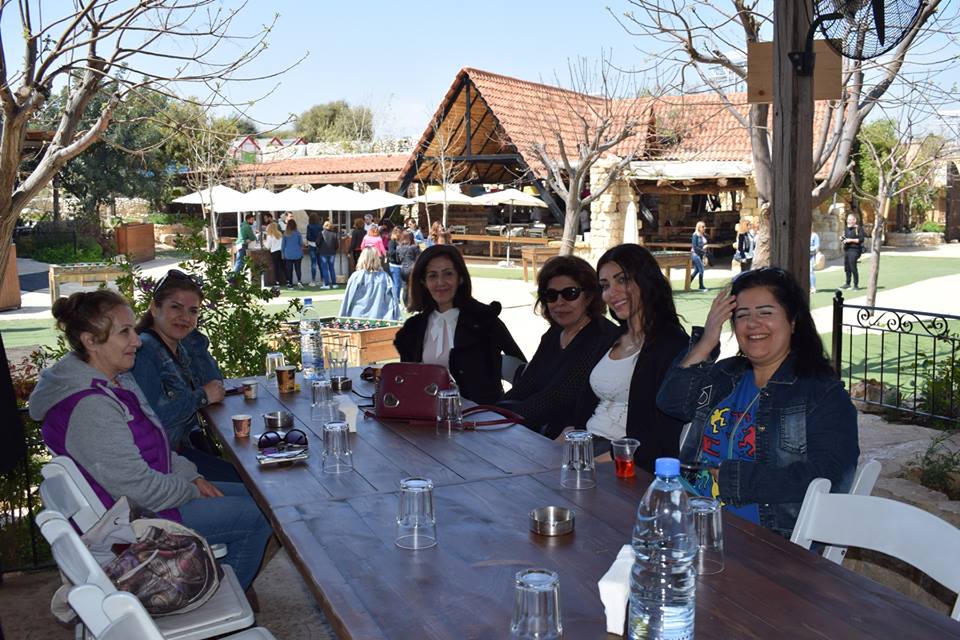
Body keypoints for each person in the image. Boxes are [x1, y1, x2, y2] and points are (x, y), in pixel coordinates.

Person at [29, 290, 272, 590]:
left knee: (266, 500)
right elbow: (137, 490)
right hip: (135, 523)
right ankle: (209, 598)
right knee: (262, 515)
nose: (138, 340)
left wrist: (192, 477)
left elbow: (157, 448)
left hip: (150, 501)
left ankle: (210, 583)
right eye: (125, 332)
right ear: (90, 341)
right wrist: (189, 490)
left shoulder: (116, 381)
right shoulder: (90, 405)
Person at [656, 267, 859, 538]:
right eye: (742, 315)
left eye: (765, 313)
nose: (752, 324)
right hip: (691, 521)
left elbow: (832, 477)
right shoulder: (727, 375)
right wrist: (707, 340)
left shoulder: (821, 394)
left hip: (764, 539)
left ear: (793, 321)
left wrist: (737, 479)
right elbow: (671, 403)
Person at [570, 244, 690, 471]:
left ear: (646, 281)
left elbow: (659, 428)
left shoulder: (672, 344)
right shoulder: (610, 338)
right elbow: (583, 404)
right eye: (605, 285)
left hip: (626, 459)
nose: (611, 293)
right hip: (586, 444)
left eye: (622, 280)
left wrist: (595, 462)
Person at [130, 269, 238, 482]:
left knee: (248, 475)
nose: (185, 316)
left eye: (193, 311)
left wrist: (190, 331)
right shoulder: (145, 352)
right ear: (154, 308)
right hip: (161, 464)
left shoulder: (178, 346)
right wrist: (202, 396)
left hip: (182, 451)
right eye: (176, 307)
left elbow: (214, 383)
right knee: (251, 485)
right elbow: (153, 419)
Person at [500, 256, 618, 438]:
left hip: (575, 438)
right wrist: (491, 412)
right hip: (539, 432)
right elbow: (526, 385)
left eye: (570, 293)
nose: (559, 302)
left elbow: (557, 397)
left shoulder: (600, 338)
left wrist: (500, 418)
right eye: (551, 295)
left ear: (588, 297)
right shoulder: (554, 334)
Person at [394, 244, 525, 404]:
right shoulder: (413, 329)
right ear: (423, 282)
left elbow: (526, 374)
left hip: (480, 414)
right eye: (433, 276)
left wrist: (503, 408)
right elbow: (407, 379)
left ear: (460, 278)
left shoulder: (485, 321)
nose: (441, 282)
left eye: (448, 274)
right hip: (425, 413)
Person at [338, 247, 400, 321]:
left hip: (357, 318)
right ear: (377, 259)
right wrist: (397, 318)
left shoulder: (356, 276)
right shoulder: (385, 277)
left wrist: (341, 318)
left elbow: (347, 299)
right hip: (380, 318)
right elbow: (393, 300)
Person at [396, 230, 421, 307]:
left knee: (405, 288)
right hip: (412, 269)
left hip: (403, 269)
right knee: (414, 287)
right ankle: (414, 305)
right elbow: (419, 259)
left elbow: (398, 260)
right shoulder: (414, 247)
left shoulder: (398, 247)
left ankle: (406, 305)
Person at [842, 213, 865, 290]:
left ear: (854, 220)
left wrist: (850, 240)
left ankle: (856, 285)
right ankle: (847, 283)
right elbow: (845, 238)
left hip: (855, 250)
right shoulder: (846, 228)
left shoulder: (858, 229)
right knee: (847, 267)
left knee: (853, 267)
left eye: (850, 220)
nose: (848, 221)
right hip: (847, 249)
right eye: (848, 220)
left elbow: (861, 239)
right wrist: (842, 239)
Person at [282, 219, 305, 288]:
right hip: (297, 253)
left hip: (288, 254)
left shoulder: (285, 233)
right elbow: (301, 243)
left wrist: (282, 254)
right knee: (298, 269)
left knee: (289, 269)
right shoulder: (298, 233)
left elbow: (283, 245)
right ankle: (299, 281)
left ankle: (290, 283)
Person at [317, 220, 339, 289]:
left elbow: (317, 243)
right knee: (332, 268)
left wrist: (320, 248)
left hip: (323, 253)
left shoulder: (321, 233)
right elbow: (337, 245)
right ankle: (334, 284)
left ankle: (326, 284)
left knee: (325, 269)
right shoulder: (334, 234)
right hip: (332, 253)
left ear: (324, 226)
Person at [263, 221, 284, 287]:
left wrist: (264, 242)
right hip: (281, 251)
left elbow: (268, 246)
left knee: (276, 267)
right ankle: (287, 281)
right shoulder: (280, 234)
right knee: (283, 267)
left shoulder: (270, 236)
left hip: (274, 252)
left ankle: (277, 282)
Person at [386, 227, 404, 307]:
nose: (402, 234)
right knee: (397, 284)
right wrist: (399, 249)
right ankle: (396, 301)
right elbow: (391, 252)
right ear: (397, 233)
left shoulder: (401, 241)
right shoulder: (392, 242)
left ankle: (397, 300)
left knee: (399, 284)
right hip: (394, 265)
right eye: (401, 233)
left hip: (401, 265)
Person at [305, 212, 323, 287]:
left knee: (313, 264)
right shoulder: (320, 226)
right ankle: (322, 280)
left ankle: (313, 281)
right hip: (319, 246)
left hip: (312, 246)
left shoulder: (309, 226)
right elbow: (322, 236)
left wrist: (311, 240)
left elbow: (308, 236)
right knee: (320, 263)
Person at [691, 220, 708, 290]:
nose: (704, 228)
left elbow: (704, 244)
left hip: (700, 254)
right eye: (703, 227)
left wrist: (705, 248)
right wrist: (703, 250)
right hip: (695, 255)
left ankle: (688, 283)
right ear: (699, 228)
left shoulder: (703, 235)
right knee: (701, 270)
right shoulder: (695, 235)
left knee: (697, 270)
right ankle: (701, 286)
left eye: (704, 226)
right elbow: (695, 247)